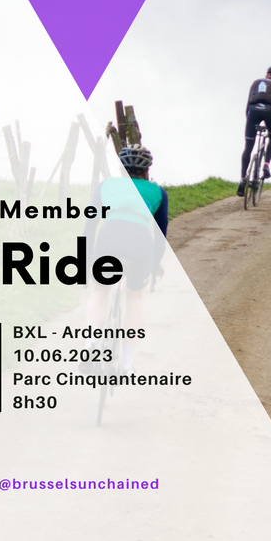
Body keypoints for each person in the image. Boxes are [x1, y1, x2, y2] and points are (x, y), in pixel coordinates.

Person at [83, 145, 168, 375]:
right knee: (135, 296)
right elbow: (160, 234)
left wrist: (85, 257)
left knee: (99, 290)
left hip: (109, 236)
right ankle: (126, 364)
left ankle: (90, 346)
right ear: (147, 171)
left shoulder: (105, 185)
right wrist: (155, 262)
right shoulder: (158, 192)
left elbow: (90, 225)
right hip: (140, 242)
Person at [238, 66, 271, 196]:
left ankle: (242, 179)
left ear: (266, 75)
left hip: (253, 111)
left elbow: (247, 107)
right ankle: (266, 165)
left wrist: (250, 122)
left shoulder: (255, 82)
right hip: (270, 111)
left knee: (248, 147)